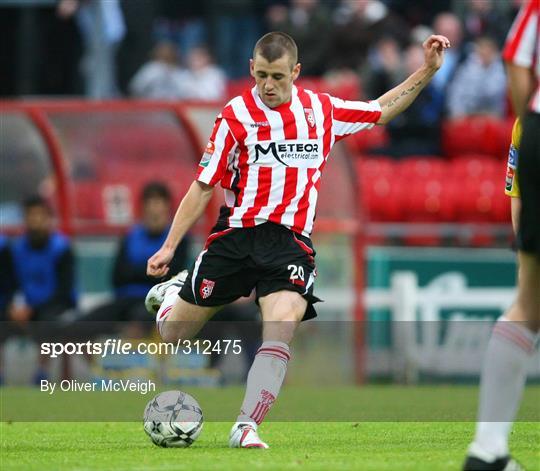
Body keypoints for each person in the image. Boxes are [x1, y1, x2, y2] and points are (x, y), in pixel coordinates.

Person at [145, 31, 450, 449]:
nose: (268, 85)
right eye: (262, 75)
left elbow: (380, 110)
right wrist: (168, 246)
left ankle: (246, 426)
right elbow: (202, 186)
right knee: (175, 334)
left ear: (296, 73)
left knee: (281, 326)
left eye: (278, 77)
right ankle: (172, 295)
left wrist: (428, 70)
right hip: (236, 237)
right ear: (251, 69)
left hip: (290, 243)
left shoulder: (320, 109)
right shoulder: (235, 115)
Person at [463, 1, 540, 470]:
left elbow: (516, 57)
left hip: (536, 130)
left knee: (529, 302)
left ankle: (487, 450)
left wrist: (528, 124)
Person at [83, 182, 190, 337]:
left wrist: (135, 272)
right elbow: (117, 277)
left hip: (158, 302)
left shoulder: (178, 240)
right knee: (85, 323)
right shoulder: (130, 236)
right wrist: (151, 273)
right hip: (126, 299)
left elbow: (172, 277)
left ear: (168, 209)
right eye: (150, 204)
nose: (154, 211)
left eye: (158, 204)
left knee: (141, 318)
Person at [7, 196, 77, 324]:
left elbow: (64, 292)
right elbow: (11, 285)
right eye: (31, 215)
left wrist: (33, 310)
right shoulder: (16, 249)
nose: (35, 220)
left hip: (56, 307)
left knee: (48, 321)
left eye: (40, 215)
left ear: (49, 218)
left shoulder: (62, 249)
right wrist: (14, 307)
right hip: (26, 309)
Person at [446, 36, 507, 118]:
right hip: (466, 114)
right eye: (482, 49)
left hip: (493, 115)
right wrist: (457, 112)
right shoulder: (465, 69)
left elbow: (497, 96)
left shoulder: (502, 71)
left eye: (489, 50)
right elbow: (455, 93)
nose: (485, 53)